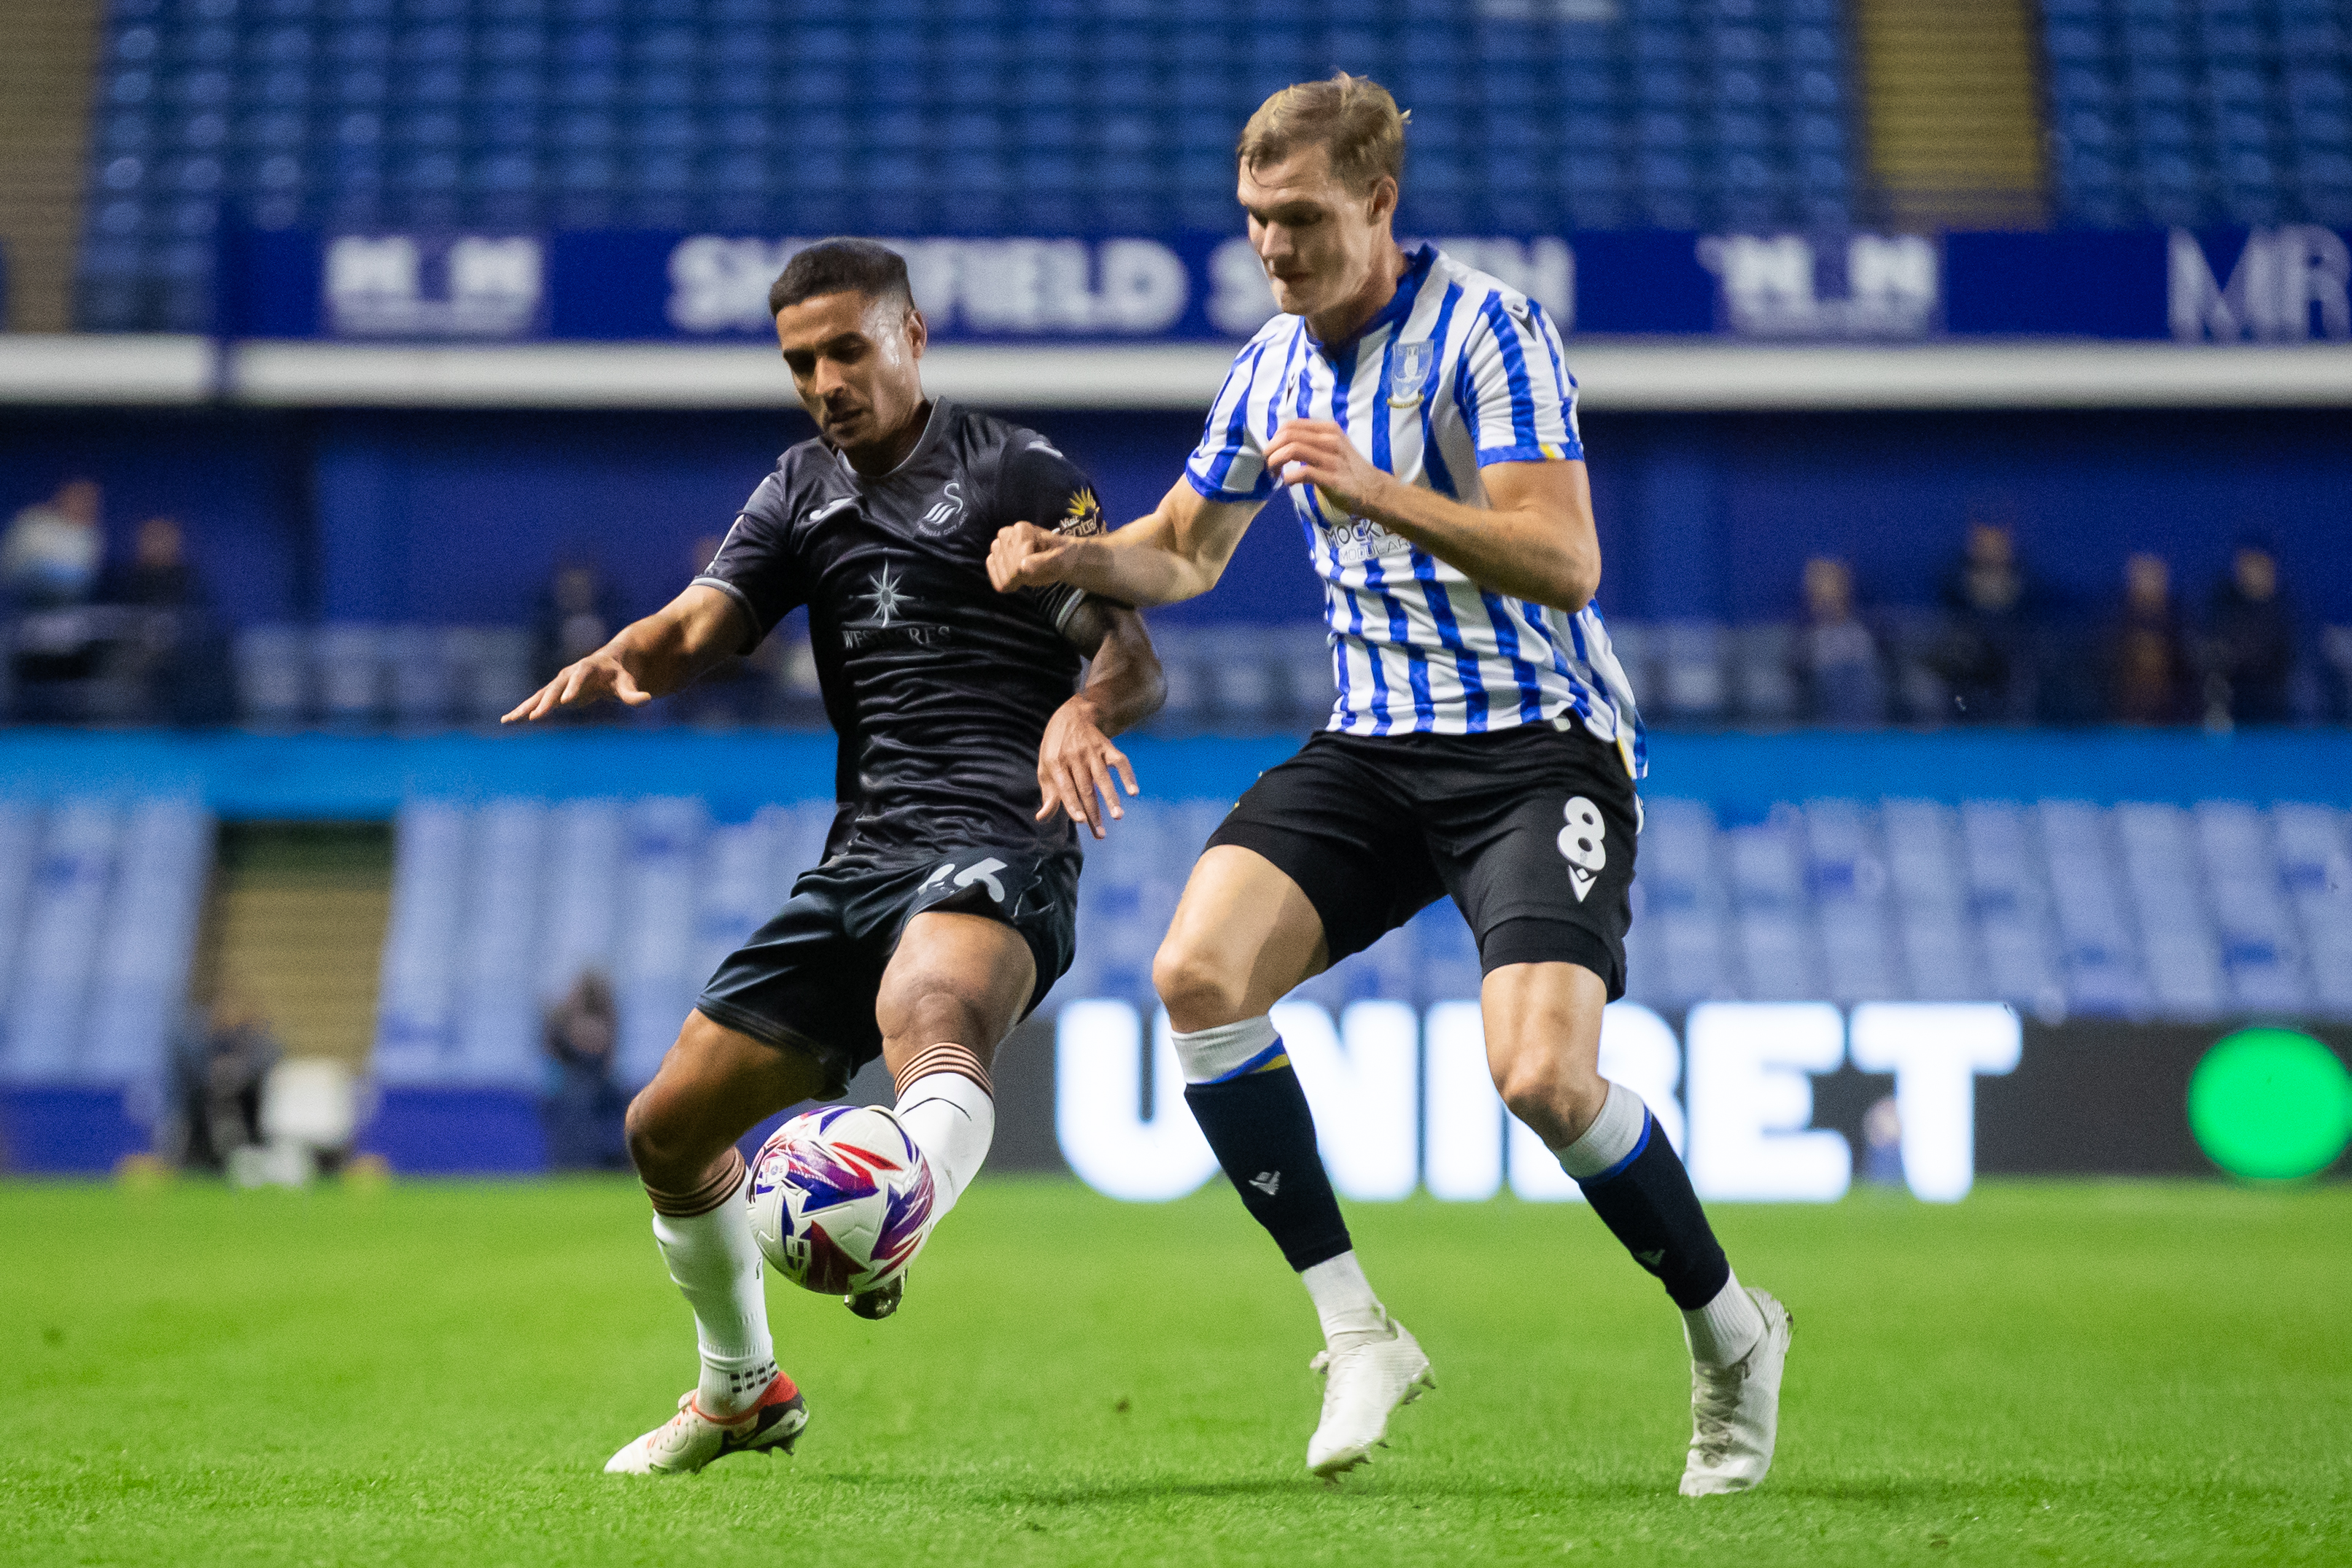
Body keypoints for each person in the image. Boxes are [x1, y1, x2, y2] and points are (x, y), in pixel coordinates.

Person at [989, 75, 1790, 1494]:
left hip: (1539, 746)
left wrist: (1374, 490)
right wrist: (1073, 560)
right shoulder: (1272, 362)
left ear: (1376, 202)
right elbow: (1186, 548)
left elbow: (1564, 560)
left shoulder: (1488, 330)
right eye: (1254, 222)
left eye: (1298, 218)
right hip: (1376, 745)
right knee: (1194, 972)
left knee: (1541, 1076)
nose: (1275, 248)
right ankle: (1356, 1327)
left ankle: (1729, 1332)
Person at [505, 238, 1165, 1476]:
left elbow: (1132, 655)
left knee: (931, 1006)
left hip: (1001, 831)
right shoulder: (800, 487)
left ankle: (888, 1217)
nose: (824, 380)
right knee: (665, 1129)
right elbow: (705, 625)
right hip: (861, 855)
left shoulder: (1015, 470)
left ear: (912, 334)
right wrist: (628, 657)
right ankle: (741, 1388)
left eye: (847, 349)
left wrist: (1086, 709)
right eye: (801, 360)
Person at [541, 969, 628, 1171]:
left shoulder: (596, 1024)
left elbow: (598, 1050)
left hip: (591, 1095)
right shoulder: (566, 1022)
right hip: (576, 1094)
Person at [2205, 537, 2297, 725]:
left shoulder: (2287, 613)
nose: (2253, 571)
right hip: (2233, 708)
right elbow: (2215, 660)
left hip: (2276, 711)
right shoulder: (2222, 607)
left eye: (2260, 564)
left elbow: (2292, 665)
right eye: (2248, 564)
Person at [1796, 556, 1885, 725]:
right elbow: (1799, 670)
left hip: (1865, 719)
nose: (1827, 604)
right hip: (1825, 714)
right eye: (1821, 598)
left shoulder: (1860, 634)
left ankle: (1862, 734)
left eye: (1833, 597)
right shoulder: (1809, 639)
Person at [2104, 551, 2189, 725]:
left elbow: (2187, 670)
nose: (2148, 582)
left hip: (2172, 717)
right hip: (2123, 717)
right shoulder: (2113, 623)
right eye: (2142, 573)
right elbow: (2106, 671)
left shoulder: (2180, 623)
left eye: (2154, 574)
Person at [1, 479, 103, 609]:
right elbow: (10, 568)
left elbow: (86, 580)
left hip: (71, 607)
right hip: (21, 605)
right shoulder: (34, 522)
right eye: (79, 496)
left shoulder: (91, 536)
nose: (85, 504)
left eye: (91, 500)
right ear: (64, 496)